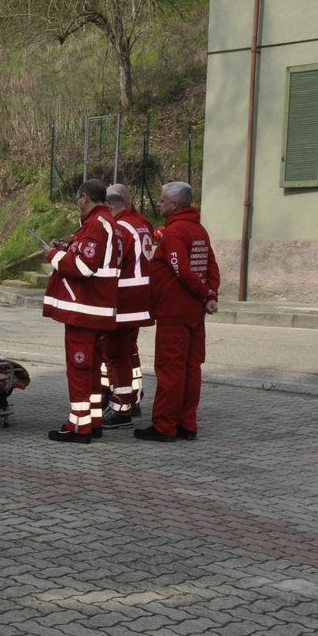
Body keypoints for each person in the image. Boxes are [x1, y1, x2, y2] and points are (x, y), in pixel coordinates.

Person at [136, 181, 219, 443]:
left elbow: (181, 270)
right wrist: (210, 294)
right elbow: (211, 267)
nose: (158, 204)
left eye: (161, 200)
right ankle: (186, 423)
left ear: (174, 204)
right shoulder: (199, 230)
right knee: (191, 369)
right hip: (194, 312)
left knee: (170, 370)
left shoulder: (175, 232)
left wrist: (205, 294)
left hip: (174, 312)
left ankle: (164, 426)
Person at [42, 179, 123, 443]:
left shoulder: (97, 225)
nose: (77, 203)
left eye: (78, 198)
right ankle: (93, 421)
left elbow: (84, 267)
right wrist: (66, 249)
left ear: (84, 197)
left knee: (79, 368)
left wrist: (53, 255)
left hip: (84, 309)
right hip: (94, 308)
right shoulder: (103, 224)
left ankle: (78, 427)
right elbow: (87, 257)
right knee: (90, 368)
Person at [103, 183, 153, 429]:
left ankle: (120, 404)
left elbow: (109, 263)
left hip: (123, 300)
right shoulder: (141, 223)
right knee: (129, 353)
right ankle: (132, 399)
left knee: (116, 355)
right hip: (140, 300)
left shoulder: (120, 228)